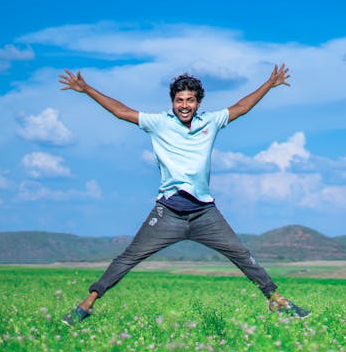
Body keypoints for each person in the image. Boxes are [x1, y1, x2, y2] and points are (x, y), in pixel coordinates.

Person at [58, 63, 310, 325]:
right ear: (172, 102)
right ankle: (86, 305)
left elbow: (242, 107)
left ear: (199, 102)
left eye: (190, 100)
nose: (185, 105)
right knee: (128, 257)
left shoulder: (210, 122)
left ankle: (276, 299)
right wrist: (86, 89)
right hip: (168, 213)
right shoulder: (158, 123)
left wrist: (269, 84)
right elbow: (121, 111)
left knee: (242, 256)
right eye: (180, 100)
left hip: (204, 214)